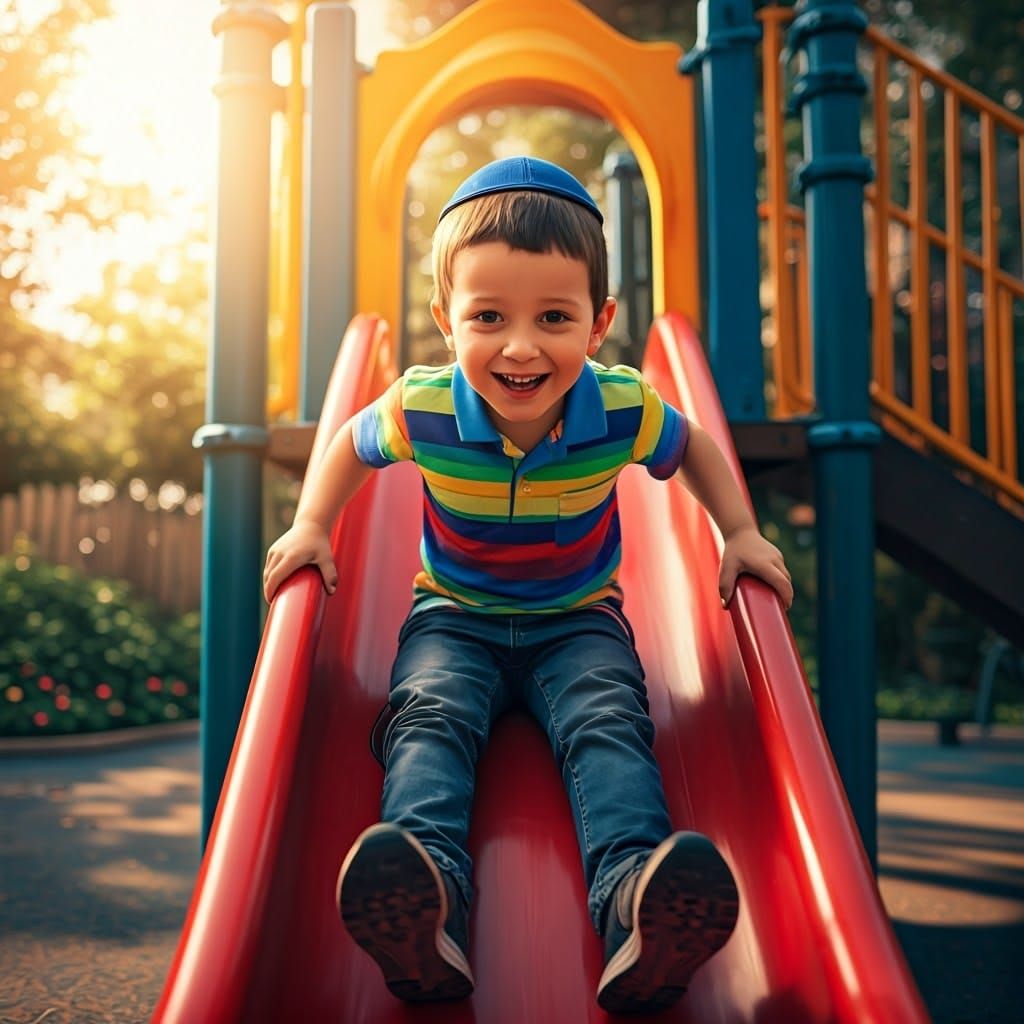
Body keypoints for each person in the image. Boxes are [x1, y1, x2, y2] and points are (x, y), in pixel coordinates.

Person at [263, 156, 794, 1013]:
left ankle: (632, 905)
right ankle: (427, 900)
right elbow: (350, 448)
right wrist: (314, 525)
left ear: (598, 323)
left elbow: (692, 444)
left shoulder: (622, 407)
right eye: (488, 316)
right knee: (428, 716)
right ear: (446, 320)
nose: (520, 345)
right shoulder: (421, 406)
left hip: (577, 620)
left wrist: (738, 533)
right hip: (455, 618)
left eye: (554, 316)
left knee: (608, 723)